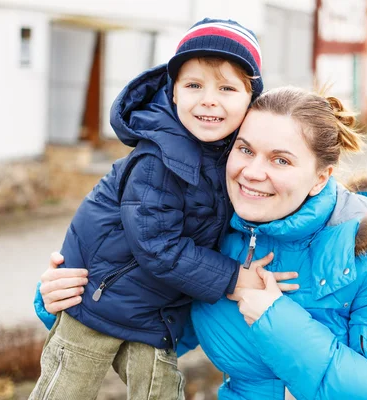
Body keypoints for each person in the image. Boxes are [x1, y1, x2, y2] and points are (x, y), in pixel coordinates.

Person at [38, 87, 367, 399]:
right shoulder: (217, 237)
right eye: (244, 150)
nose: (252, 172)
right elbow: (157, 330)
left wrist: (274, 316)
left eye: (280, 160)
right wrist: (64, 296)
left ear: (321, 177)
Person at [30, 18, 299, 400]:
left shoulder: (230, 157)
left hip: (152, 313)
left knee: (160, 389)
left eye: (226, 88)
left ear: (250, 100)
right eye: (194, 86)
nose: (209, 99)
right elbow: (157, 245)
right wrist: (234, 279)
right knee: (67, 385)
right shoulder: (159, 158)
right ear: (173, 93)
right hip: (95, 298)